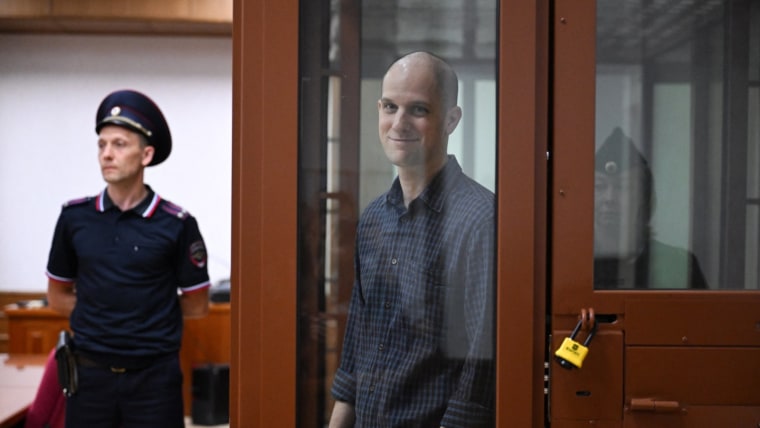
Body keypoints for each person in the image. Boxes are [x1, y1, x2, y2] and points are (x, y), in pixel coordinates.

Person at [329, 51, 496, 428]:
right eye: (390, 107)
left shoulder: (481, 220)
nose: (399, 123)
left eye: (418, 110)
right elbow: (357, 346)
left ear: (451, 119)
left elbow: (480, 371)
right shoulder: (374, 218)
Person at [45, 89, 211, 427]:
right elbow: (57, 296)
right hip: (89, 379)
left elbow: (198, 305)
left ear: (146, 155)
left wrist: (143, 314)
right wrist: (107, 314)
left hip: (154, 381)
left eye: (119, 144)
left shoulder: (176, 224)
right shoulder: (74, 218)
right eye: (102, 145)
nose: (107, 154)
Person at [593, 127, 708, 289]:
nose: (609, 198)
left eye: (621, 187)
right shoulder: (570, 260)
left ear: (643, 198)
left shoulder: (678, 266)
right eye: (599, 186)